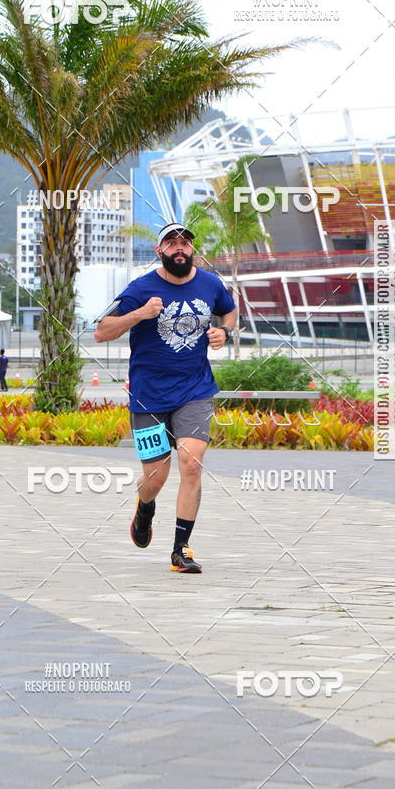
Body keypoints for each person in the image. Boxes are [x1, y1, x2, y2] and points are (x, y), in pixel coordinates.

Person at [94, 222, 237, 574]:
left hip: (195, 390)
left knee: (192, 462)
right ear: (160, 251)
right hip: (149, 398)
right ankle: (145, 508)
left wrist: (225, 332)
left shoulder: (211, 283)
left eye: (185, 244)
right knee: (155, 477)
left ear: (193, 250)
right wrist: (140, 314)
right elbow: (101, 331)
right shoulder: (140, 288)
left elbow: (229, 311)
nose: (179, 249)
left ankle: (180, 549)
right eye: (171, 243)